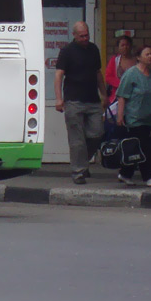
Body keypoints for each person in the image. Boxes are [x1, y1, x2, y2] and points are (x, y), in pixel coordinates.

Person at [54, 21, 105, 184]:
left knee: (97, 134)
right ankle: (78, 171)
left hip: (93, 100)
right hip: (73, 101)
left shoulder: (93, 50)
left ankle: (82, 163)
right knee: (77, 140)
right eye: (82, 36)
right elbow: (58, 76)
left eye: (87, 35)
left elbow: (98, 74)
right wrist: (59, 99)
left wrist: (104, 94)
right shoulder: (67, 51)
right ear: (74, 35)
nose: (85, 38)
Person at [115, 44, 151, 186]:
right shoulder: (131, 74)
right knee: (143, 146)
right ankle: (148, 176)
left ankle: (125, 173)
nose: (150, 57)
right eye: (147, 54)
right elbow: (122, 96)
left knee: (135, 147)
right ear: (138, 57)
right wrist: (120, 115)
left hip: (149, 117)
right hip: (134, 117)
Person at [104, 36, 136, 105]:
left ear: (130, 46)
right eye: (122, 45)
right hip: (117, 96)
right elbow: (108, 77)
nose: (125, 47)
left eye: (127, 45)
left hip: (134, 96)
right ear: (118, 47)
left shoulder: (137, 61)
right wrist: (122, 84)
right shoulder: (115, 60)